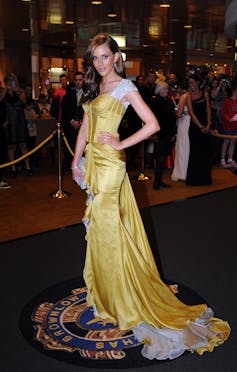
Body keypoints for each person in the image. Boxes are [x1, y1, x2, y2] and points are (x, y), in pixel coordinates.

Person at [71, 34, 230, 361]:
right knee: (101, 232)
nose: (100, 63)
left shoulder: (125, 88)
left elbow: (153, 124)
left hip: (111, 166)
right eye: (96, 58)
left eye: (105, 56)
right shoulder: (95, 88)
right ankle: (107, 292)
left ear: (116, 57)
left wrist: (120, 143)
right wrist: (75, 161)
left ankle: (124, 298)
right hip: (92, 164)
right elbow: (86, 125)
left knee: (109, 229)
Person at [186, 74, 212, 186]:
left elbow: (208, 110)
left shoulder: (205, 94)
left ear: (197, 83)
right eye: (189, 83)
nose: (191, 85)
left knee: (205, 154)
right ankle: (194, 180)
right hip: (195, 128)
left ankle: (205, 179)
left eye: (192, 82)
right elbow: (191, 113)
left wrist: (208, 125)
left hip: (206, 127)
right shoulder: (188, 96)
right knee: (195, 154)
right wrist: (201, 126)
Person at [150, 80, 176, 189]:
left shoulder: (169, 100)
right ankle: (156, 182)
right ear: (159, 89)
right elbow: (153, 118)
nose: (167, 90)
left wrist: (174, 132)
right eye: (164, 88)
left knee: (164, 158)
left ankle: (159, 181)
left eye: (167, 88)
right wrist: (154, 134)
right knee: (159, 158)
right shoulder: (155, 101)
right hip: (159, 133)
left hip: (168, 133)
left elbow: (173, 117)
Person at [61, 71, 86, 171]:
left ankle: (82, 167)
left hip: (83, 126)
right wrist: (72, 121)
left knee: (83, 148)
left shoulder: (89, 94)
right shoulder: (68, 94)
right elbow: (65, 111)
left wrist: (81, 122)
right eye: (76, 80)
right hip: (70, 127)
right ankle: (71, 166)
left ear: (84, 80)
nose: (78, 82)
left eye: (80, 80)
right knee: (70, 147)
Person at [171, 80, 191, 181]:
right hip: (190, 121)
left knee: (182, 147)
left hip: (183, 122)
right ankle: (187, 171)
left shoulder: (184, 97)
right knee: (187, 146)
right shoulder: (192, 95)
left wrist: (174, 109)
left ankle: (181, 173)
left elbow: (179, 114)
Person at [219, 82, 237, 168]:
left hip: (235, 125)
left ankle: (230, 159)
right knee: (226, 141)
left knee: (233, 141)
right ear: (234, 91)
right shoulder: (227, 101)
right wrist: (229, 119)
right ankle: (222, 159)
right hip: (227, 126)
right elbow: (222, 113)